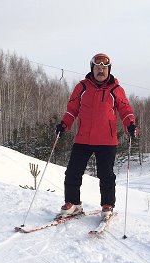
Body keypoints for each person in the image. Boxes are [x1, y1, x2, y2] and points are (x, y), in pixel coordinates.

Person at [55, 53, 137, 219]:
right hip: (83, 139)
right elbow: (72, 110)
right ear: (92, 69)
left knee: (106, 175)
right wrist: (64, 124)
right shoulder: (82, 87)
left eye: (104, 68)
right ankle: (73, 204)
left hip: (107, 141)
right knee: (72, 172)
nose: (101, 70)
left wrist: (130, 124)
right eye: (98, 68)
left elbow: (125, 110)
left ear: (109, 70)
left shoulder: (116, 89)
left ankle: (107, 205)